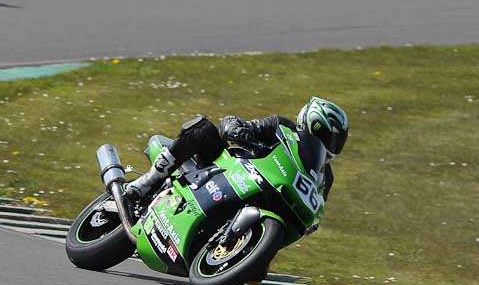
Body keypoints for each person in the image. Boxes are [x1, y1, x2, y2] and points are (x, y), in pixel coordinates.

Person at [125, 97, 349, 227]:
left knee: (257, 273)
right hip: (228, 171)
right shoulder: (282, 127)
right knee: (203, 128)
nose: (332, 143)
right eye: (328, 135)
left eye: (338, 140)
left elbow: (316, 214)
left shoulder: (325, 176)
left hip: (267, 199)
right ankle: (146, 182)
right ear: (310, 123)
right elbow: (235, 123)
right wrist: (239, 131)